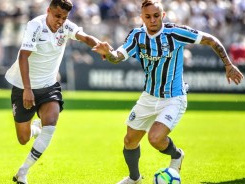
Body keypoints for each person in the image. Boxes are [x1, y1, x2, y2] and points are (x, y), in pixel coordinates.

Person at [92, 1, 244, 183]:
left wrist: (228, 65)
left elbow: (211, 40)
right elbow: (117, 57)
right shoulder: (136, 36)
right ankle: (134, 179)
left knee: (155, 139)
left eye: (156, 16)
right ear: (141, 17)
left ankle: (177, 155)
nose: (153, 20)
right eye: (148, 17)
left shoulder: (175, 33)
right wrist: (108, 52)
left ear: (162, 15)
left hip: (174, 98)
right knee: (129, 141)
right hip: (148, 96)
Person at [4, 0, 102, 184]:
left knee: (50, 124)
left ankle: (23, 172)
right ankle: (35, 128)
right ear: (48, 10)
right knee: (23, 139)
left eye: (64, 17)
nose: (60, 21)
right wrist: (27, 89)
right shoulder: (35, 25)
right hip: (23, 86)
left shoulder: (66, 27)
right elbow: (23, 56)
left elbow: (85, 37)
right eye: (57, 16)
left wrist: (102, 46)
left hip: (49, 85)